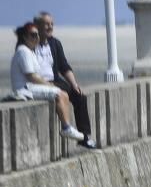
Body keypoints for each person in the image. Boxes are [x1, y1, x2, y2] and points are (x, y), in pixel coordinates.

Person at [9, 23, 84, 141]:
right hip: (24, 89)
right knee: (58, 93)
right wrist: (49, 85)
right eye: (33, 35)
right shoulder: (23, 51)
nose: (37, 38)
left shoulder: (30, 51)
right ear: (24, 37)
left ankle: (68, 126)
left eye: (38, 35)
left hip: (29, 87)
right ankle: (66, 128)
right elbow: (31, 76)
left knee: (63, 93)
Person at [33, 12, 96, 149]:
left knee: (79, 97)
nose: (50, 27)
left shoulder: (55, 43)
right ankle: (66, 127)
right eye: (46, 24)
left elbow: (64, 66)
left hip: (54, 80)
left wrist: (74, 85)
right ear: (37, 26)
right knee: (62, 95)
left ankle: (84, 138)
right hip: (38, 83)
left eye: (51, 24)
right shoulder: (30, 44)